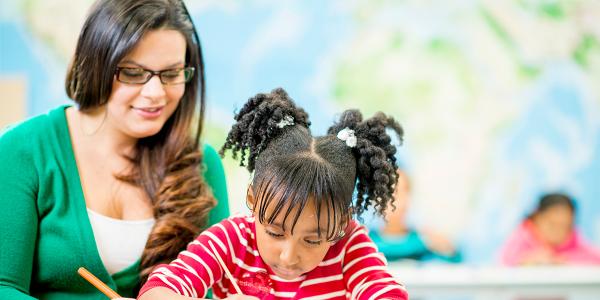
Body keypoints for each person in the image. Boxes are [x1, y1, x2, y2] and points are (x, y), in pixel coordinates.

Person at [0, 0, 230, 299]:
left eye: (171, 74)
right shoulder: (22, 151)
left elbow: (216, 290)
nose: (155, 93)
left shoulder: (204, 165)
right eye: (134, 73)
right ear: (97, 64)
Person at [137, 88, 408, 300]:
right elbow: (157, 291)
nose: (289, 257)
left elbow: (385, 291)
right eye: (276, 233)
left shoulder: (349, 244)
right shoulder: (231, 240)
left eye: (312, 240)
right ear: (253, 200)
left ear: (340, 222)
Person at [369, 169, 461, 263]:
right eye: (390, 193)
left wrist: (447, 248)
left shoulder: (423, 241)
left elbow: (455, 264)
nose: (396, 201)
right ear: (375, 200)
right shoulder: (367, 242)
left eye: (403, 193)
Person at [500, 193, 600, 266]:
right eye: (552, 225)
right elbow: (504, 262)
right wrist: (525, 262)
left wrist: (565, 261)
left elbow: (595, 258)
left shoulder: (576, 241)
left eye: (565, 226)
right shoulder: (521, 238)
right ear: (537, 218)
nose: (558, 232)